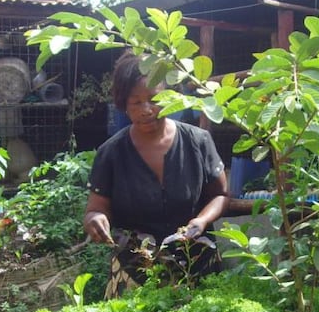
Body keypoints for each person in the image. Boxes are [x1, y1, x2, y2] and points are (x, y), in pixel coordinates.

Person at [83, 52, 229, 298]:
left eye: (154, 99)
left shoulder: (198, 141)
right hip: (135, 275)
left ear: (171, 96)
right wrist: (95, 219)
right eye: (136, 102)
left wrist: (201, 221)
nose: (146, 110)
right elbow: (95, 208)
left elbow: (221, 196)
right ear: (123, 104)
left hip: (198, 267)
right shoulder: (111, 153)